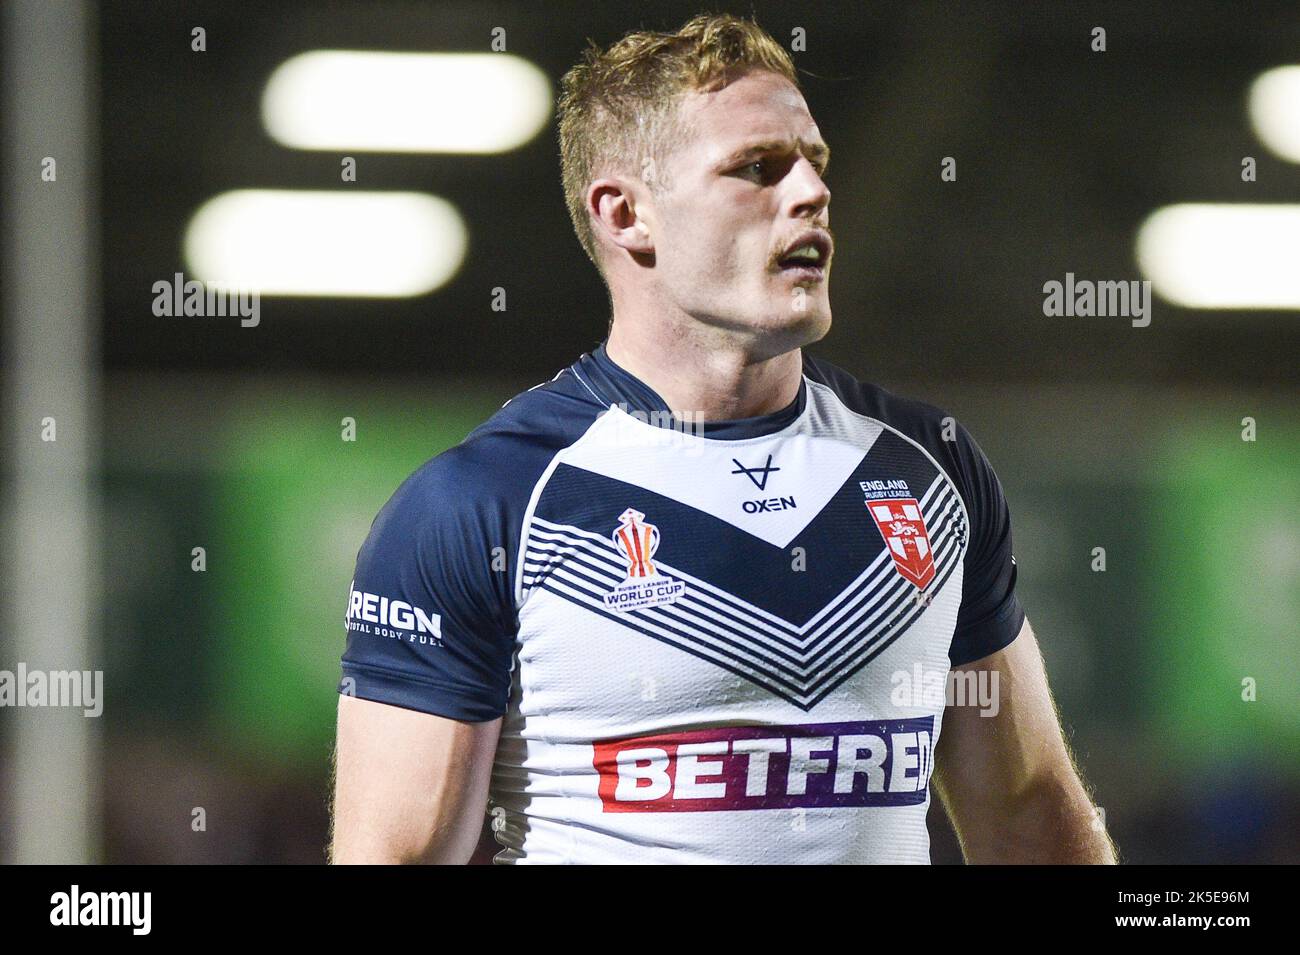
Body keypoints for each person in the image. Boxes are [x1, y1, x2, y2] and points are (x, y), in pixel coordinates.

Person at [330, 13, 1116, 864]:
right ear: (627, 213)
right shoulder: (482, 504)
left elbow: (1029, 814)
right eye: (756, 169)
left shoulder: (932, 469)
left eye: (814, 163)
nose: (811, 193)